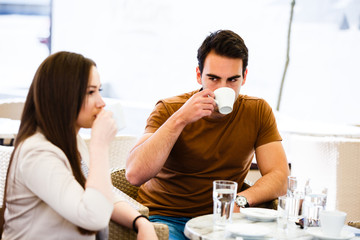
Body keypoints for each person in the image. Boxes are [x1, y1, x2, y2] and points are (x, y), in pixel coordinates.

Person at [126, 30, 290, 240]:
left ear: (244, 77)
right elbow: (134, 174)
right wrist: (180, 119)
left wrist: (240, 200)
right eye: (213, 78)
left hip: (224, 220)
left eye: (232, 80)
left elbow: (280, 176)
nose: (222, 88)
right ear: (198, 75)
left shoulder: (257, 111)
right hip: (167, 218)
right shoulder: (169, 109)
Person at [0, 51, 158, 240]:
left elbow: (101, 193)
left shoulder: (72, 141)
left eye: (99, 91)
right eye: (91, 92)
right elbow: (94, 217)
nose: (101, 103)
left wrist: (139, 222)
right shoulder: (38, 153)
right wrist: (99, 144)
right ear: (63, 96)